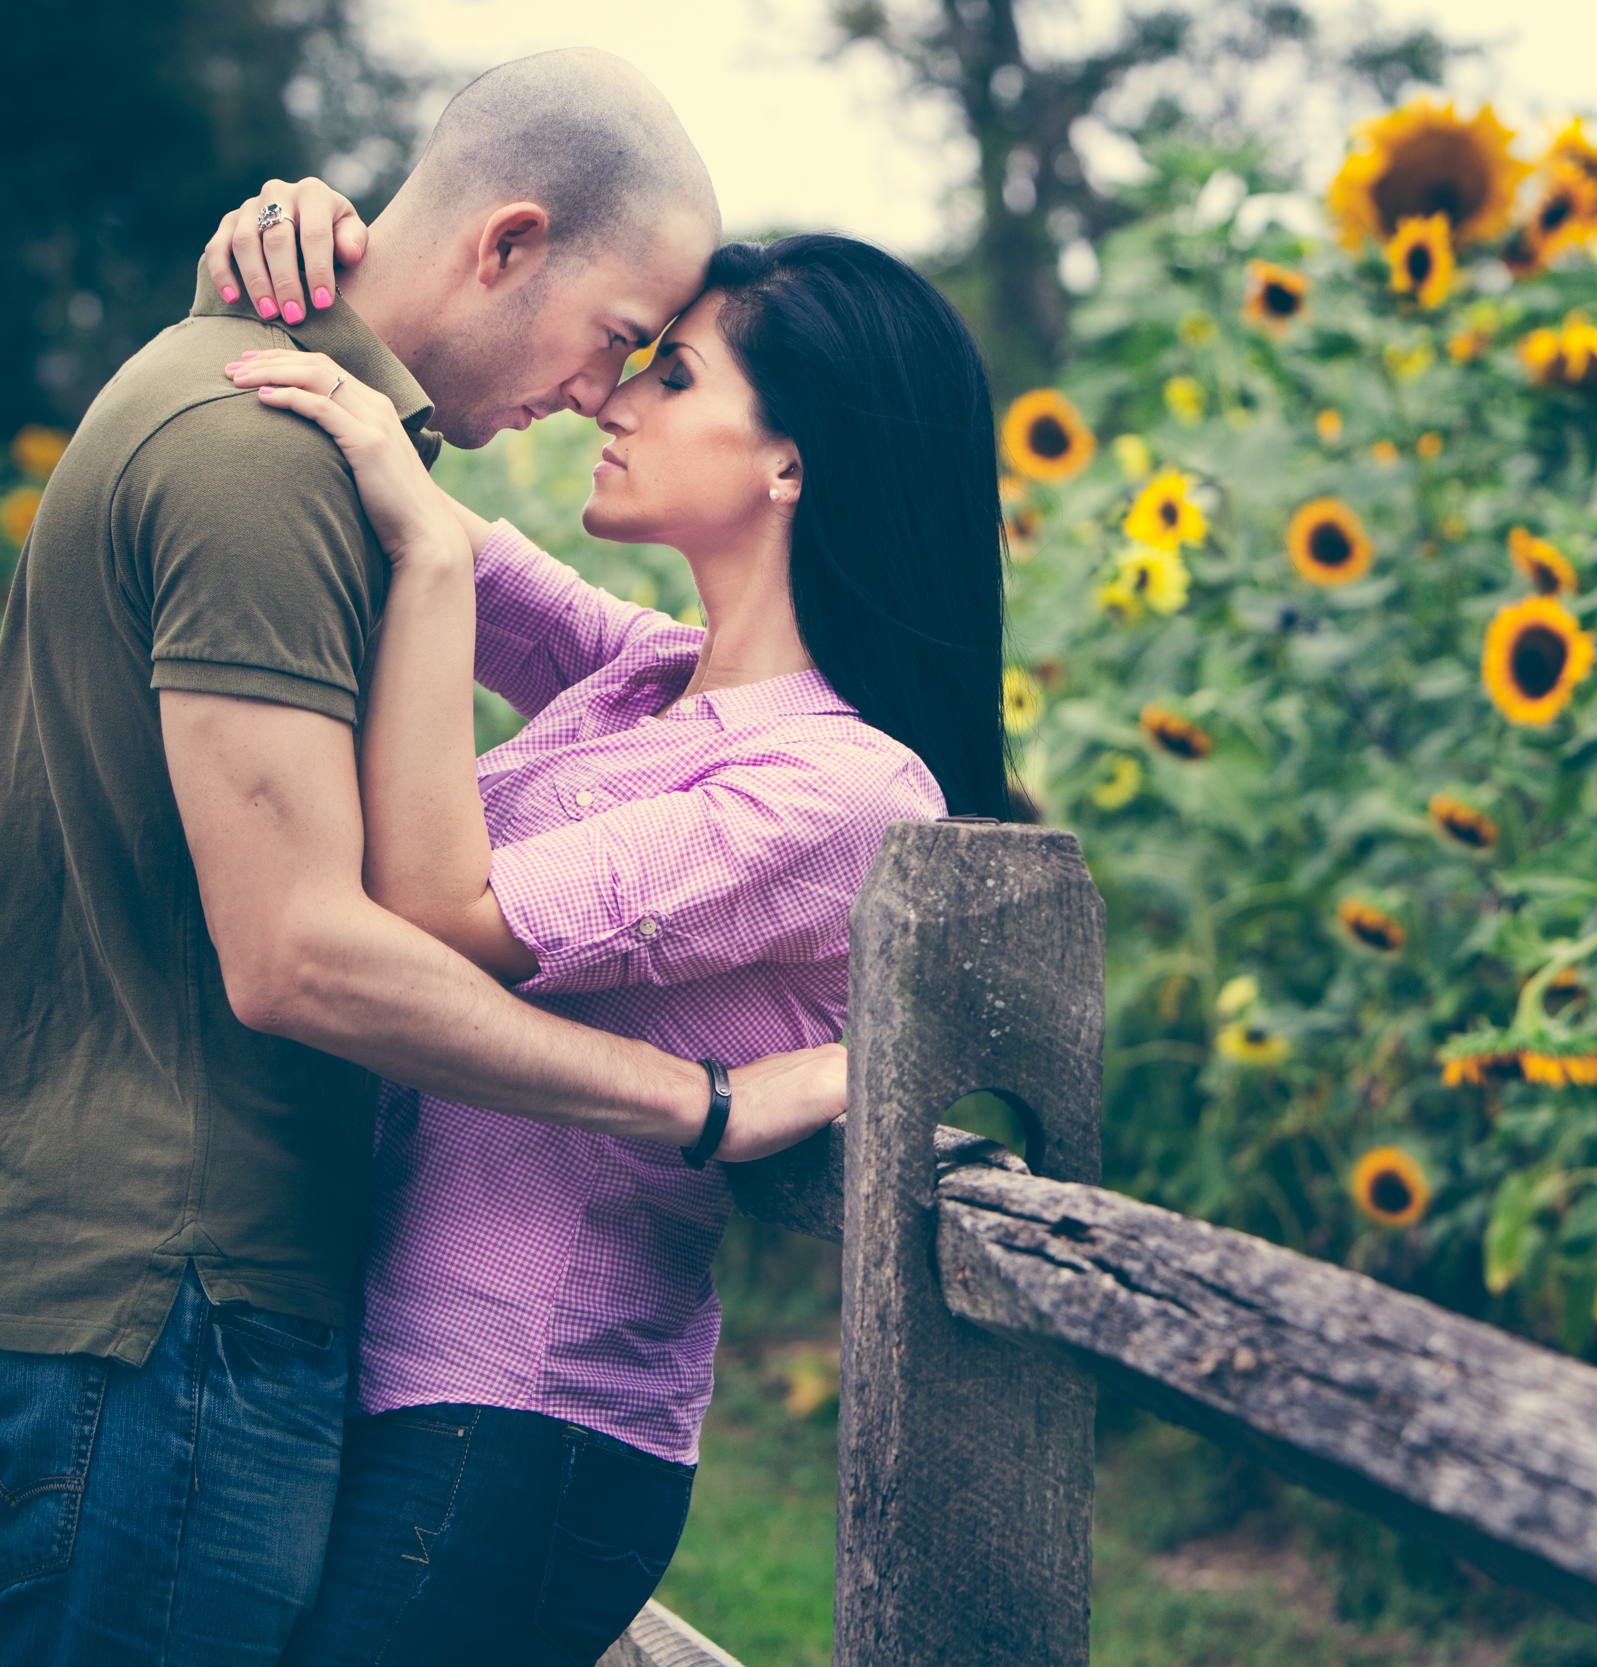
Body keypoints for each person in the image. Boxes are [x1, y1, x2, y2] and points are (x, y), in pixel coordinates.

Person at [0, 54, 852, 1666]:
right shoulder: (259, 455)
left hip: (178, 1309)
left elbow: (527, 596)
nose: (606, 396)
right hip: (169, 1310)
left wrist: (288, 292)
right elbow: (300, 953)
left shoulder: (288, 422)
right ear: (509, 242)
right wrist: (708, 1109)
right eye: (621, 343)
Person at [215, 180, 1007, 1663]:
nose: (617, 401)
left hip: (518, 1423)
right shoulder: (649, 678)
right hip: (379, 1373)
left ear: (793, 462)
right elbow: (372, 472)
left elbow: (447, 915)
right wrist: (292, 266)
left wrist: (443, 566)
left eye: (676, 372)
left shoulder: (843, 784)